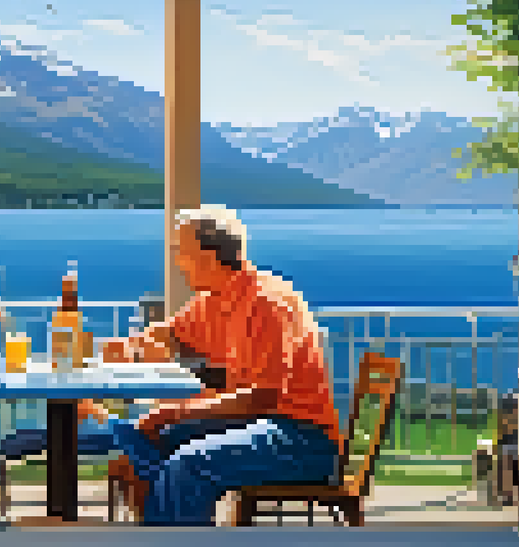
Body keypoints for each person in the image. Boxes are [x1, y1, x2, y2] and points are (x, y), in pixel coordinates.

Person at [101, 205, 343, 526]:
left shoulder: (266, 303)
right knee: (141, 447)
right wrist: (130, 347)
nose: (178, 262)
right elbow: (171, 333)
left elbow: (262, 398)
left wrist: (171, 412)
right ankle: (164, 529)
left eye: (182, 252)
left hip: (300, 438)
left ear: (208, 257)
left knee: (188, 463)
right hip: (254, 421)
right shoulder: (214, 298)